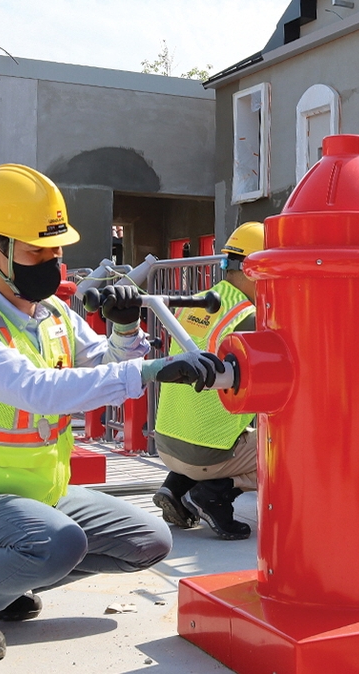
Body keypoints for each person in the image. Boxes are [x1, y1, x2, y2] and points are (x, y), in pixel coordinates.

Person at [0, 163, 225, 663]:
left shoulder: (53, 315)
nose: (53, 264)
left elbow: (108, 369)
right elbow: (40, 392)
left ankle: (3, 580)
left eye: (57, 251)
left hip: (36, 498)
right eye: (38, 252)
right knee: (55, 543)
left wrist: (123, 329)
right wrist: (152, 370)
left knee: (149, 541)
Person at [151, 222, 263, 540]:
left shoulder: (200, 302)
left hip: (165, 442)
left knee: (213, 420)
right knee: (288, 453)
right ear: (257, 270)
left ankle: (175, 487)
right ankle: (215, 493)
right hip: (204, 455)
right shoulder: (250, 317)